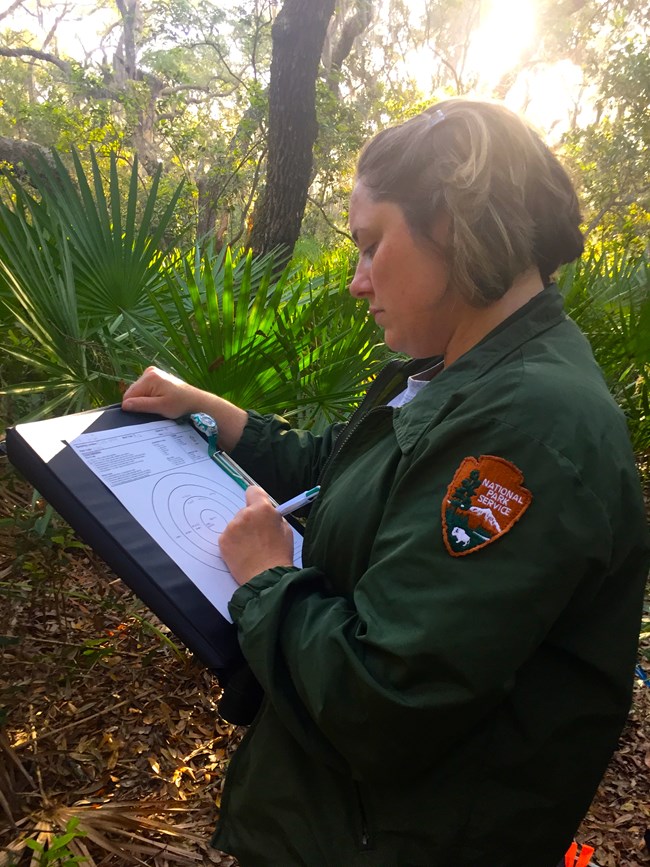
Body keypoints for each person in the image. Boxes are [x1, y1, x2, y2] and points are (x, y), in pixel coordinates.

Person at [121, 99, 649, 867]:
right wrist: (211, 410)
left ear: (456, 225)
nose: (356, 283)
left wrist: (268, 580)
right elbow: (340, 473)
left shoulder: (530, 427)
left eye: (370, 246)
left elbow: (385, 699)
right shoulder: (456, 372)